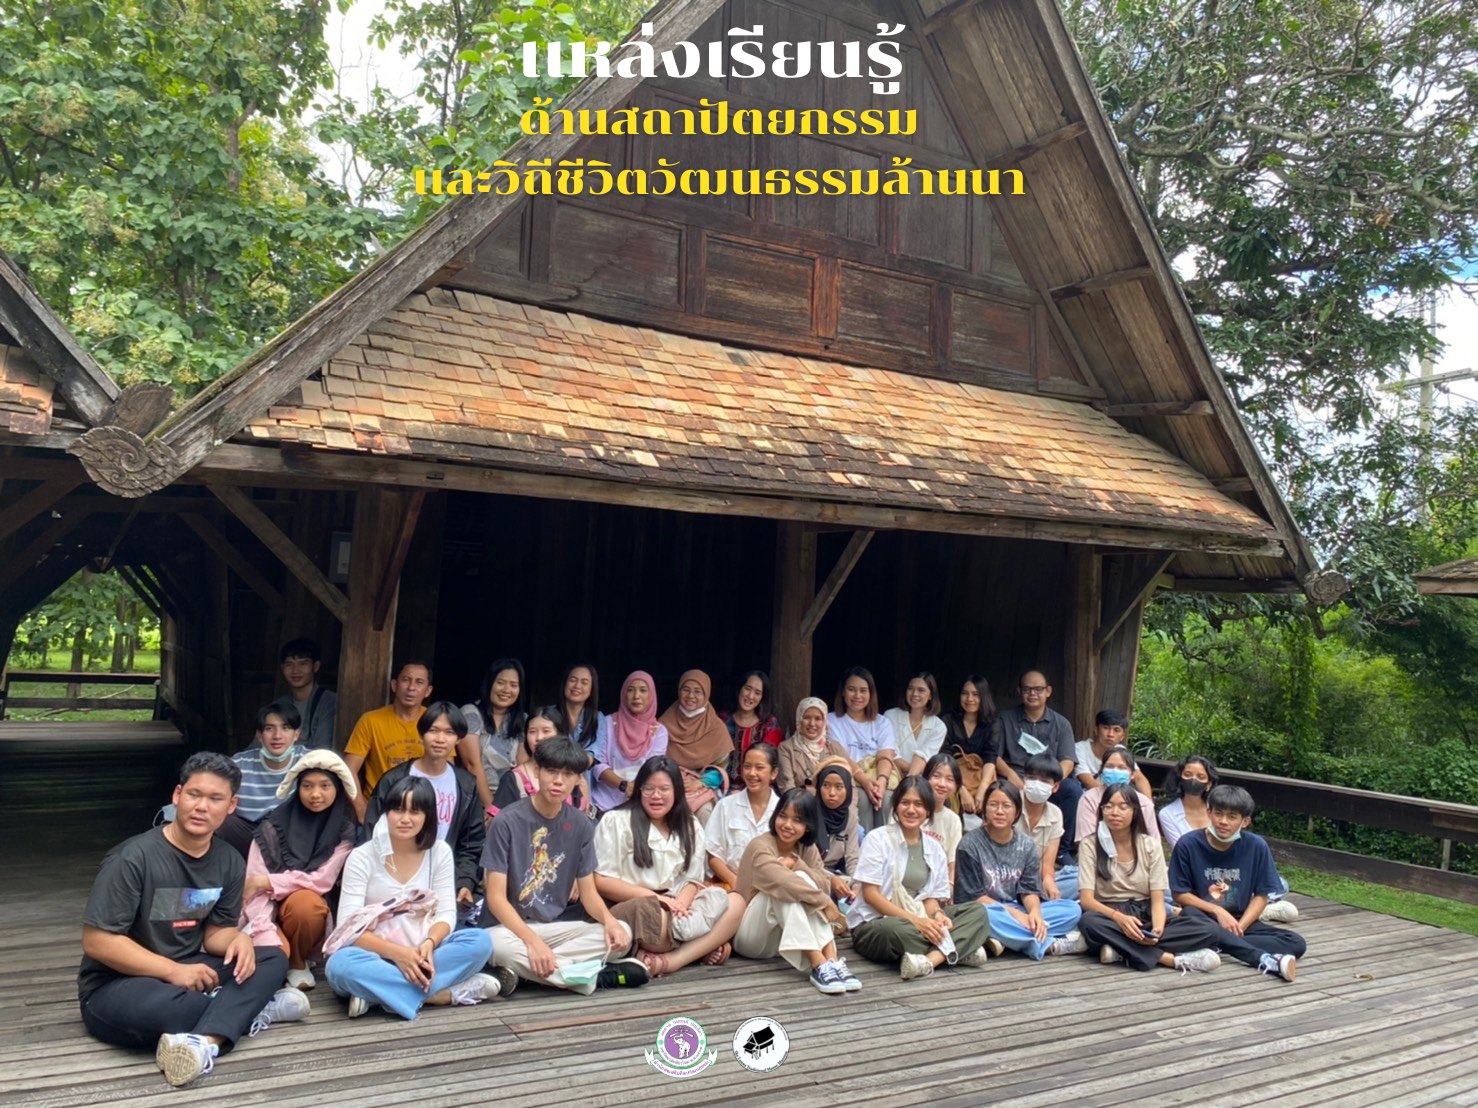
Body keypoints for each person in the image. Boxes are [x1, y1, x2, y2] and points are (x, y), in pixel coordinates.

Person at [79, 753, 303, 1089]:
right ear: (177, 795)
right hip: (119, 983)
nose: (201, 807)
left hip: (190, 967)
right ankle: (253, 1009)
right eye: (194, 794)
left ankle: (205, 1041)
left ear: (231, 805)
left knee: (272, 957)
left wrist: (238, 939)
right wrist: (172, 971)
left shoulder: (229, 860)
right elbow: (98, 941)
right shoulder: (132, 858)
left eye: (215, 798)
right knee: (178, 1010)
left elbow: (215, 934)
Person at [482, 736, 648, 994]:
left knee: (621, 934)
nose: (558, 781)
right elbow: (495, 899)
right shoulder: (506, 821)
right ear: (537, 771)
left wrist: (609, 921)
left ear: (578, 779)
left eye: (568, 774)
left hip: (556, 927)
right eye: (551, 771)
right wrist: (532, 942)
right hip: (510, 929)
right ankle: (596, 976)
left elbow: (589, 893)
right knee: (491, 944)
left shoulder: (580, 824)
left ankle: (533, 973)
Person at [324, 776, 499, 1018]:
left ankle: (379, 996)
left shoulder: (439, 851)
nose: (405, 819)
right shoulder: (362, 856)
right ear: (386, 812)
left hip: (425, 952)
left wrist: (429, 944)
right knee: (339, 966)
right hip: (376, 956)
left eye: (415, 812)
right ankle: (443, 995)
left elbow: (447, 913)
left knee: (480, 941)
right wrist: (399, 955)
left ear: (428, 816)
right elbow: (347, 926)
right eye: (398, 810)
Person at [594, 756, 746, 978]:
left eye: (664, 789)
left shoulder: (690, 825)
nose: (656, 796)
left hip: (676, 903)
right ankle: (702, 947)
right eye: (649, 788)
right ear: (639, 790)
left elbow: (693, 880)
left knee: (736, 902)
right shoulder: (616, 821)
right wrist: (658, 900)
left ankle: (672, 961)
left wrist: (681, 905)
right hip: (634, 904)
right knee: (655, 917)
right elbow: (601, 881)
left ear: (676, 791)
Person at [845, 776, 992, 980]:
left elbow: (929, 899)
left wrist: (937, 916)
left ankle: (930, 961)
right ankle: (959, 948)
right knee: (892, 930)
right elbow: (871, 896)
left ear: (928, 811)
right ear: (895, 807)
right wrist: (917, 922)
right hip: (878, 922)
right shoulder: (878, 839)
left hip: (920, 916)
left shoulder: (934, 848)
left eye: (919, 804)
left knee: (978, 912)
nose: (911, 810)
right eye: (905, 803)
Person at [242, 750, 359, 991]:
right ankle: (281, 954)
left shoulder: (343, 831)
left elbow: (321, 881)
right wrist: (265, 929)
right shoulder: (272, 827)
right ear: (298, 788)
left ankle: (297, 960)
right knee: (275, 952)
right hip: (267, 913)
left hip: (308, 916)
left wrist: (267, 881)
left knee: (306, 903)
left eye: (325, 786)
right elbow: (252, 888)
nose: (315, 794)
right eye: (307, 786)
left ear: (337, 789)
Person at [1077, 783, 1223, 973]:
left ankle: (1121, 949)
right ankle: (1168, 959)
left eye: (1123, 807)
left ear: (1135, 811)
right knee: (1089, 923)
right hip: (1110, 915)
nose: (1114, 812)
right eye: (1108, 806)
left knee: (1209, 929)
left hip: (1145, 913)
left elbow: (1158, 900)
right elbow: (1087, 900)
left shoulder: (1150, 844)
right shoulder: (1090, 844)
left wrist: (1157, 930)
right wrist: (1118, 918)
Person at [1170, 785, 1307, 981]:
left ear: (1245, 821)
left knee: (1296, 943)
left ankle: (1216, 945)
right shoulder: (1188, 844)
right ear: (1209, 813)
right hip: (1201, 918)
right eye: (1218, 813)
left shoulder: (1256, 846)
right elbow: (1179, 894)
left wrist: (1239, 928)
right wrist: (1217, 910)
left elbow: (1262, 895)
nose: (1223, 821)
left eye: (1232, 817)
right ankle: (1263, 959)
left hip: (1239, 918)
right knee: (1191, 913)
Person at [734, 788, 859, 994]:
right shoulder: (760, 846)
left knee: (798, 879)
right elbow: (782, 881)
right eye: (783, 816)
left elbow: (823, 884)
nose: (788, 825)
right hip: (750, 937)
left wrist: (796, 863)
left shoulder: (806, 848)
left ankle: (832, 961)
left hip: (783, 940)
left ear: (808, 825)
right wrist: (826, 902)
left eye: (797, 820)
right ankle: (818, 963)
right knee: (787, 886)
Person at [365, 702, 484, 912]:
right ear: (421, 734)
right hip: (395, 882)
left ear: (458, 738)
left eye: (449, 732)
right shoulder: (394, 780)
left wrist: (465, 881)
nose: (440, 739)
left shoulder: (465, 785)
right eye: (433, 730)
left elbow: (471, 843)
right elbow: (372, 833)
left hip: (444, 881)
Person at [953, 780, 1083, 960]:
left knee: (1072, 910)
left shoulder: (1026, 845)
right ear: (984, 809)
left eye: (1006, 806)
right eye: (993, 805)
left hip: (1016, 907)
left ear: (1016, 812)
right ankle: (1047, 945)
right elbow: (973, 897)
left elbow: (1029, 889)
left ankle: (1004, 938)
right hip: (986, 910)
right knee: (985, 917)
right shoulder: (969, 844)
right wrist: (1015, 915)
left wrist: (1035, 913)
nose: (999, 811)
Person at [1160, 756, 1298, 924]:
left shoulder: (1222, 804)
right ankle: (1252, 910)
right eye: (1188, 775)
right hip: (1198, 878)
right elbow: (1182, 858)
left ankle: (1256, 911)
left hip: (1233, 877)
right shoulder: (1177, 826)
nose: (1223, 821)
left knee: (1278, 885)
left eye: (1201, 776)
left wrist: (1241, 926)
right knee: (1167, 891)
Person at [992, 669, 1082, 855]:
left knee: (1073, 790)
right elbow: (994, 755)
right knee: (998, 790)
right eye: (1027, 689)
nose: (1032, 693)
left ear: (1048, 691)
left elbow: (1068, 760)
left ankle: (1063, 851)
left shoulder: (1061, 723)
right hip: (1015, 779)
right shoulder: (1005, 719)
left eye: (1038, 689)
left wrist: (1051, 783)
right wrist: (1012, 777)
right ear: (1019, 691)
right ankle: (1002, 846)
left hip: (1049, 781)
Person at [343, 660, 435, 818]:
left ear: (428, 691)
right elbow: (348, 769)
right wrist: (362, 811)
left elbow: (447, 770)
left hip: (422, 812)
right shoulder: (371, 721)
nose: (411, 688)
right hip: (380, 810)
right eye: (405, 680)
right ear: (394, 685)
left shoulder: (435, 721)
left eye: (419, 682)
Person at [218, 703, 308, 857]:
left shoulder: (309, 761)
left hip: (289, 834)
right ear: (259, 735)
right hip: (247, 833)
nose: (277, 736)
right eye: (269, 728)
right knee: (220, 821)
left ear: (296, 734)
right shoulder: (239, 763)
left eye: (285, 728)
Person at [657, 669, 734, 823]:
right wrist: (674, 777)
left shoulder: (716, 727)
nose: (691, 696)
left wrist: (698, 783)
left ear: (706, 694)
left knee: (706, 813)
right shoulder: (664, 723)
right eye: (686, 690)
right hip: (668, 781)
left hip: (701, 787)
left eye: (698, 692)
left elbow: (722, 767)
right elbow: (654, 758)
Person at [827, 667, 898, 830]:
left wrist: (881, 782)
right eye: (851, 689)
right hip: (848, 777)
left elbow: (885, 755)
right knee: (862, 800)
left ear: (871, 694)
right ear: (843, 692)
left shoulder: (882, 723)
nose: (857, 696)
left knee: (886, 799)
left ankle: (884, 844)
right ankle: (862, 845)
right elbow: (841, 757)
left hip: (877, 777)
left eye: (863, 691)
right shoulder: (831, 720)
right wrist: (865, 782)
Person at [591, 671, 670, 813]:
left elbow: (653, 768)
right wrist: (624, 786)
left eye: (643, 690)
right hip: (604, 803)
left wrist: (635, 791)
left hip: (641, 803)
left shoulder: (659, 731)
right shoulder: (607, 723)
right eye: (631, 690)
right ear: (623, 695)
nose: (636, 696)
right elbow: (597, 764)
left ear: (651, 696)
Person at [457, 658, 528, 814]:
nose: (506, 690)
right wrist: (491, 809)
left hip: (513, 799)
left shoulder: (522, 720)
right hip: (477, 799)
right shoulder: (471, 714)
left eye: (514, 685)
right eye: (500, 683)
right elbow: (472, 764)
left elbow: (522, 765)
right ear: (489, 684)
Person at [706, 743, 780, 888]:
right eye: (747, 766)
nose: (752, 773)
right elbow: (713, 856)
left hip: (770, 887)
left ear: (774, 773)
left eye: (759, 768)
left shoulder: (782, 811)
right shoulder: (726, 806)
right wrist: (736, 883)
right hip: (730, 885)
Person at [492, 706, 589, 814]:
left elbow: (580, 819)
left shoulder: (573, 777)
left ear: (560, 734)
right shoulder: (513, 779)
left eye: (546, 731)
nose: (539, 738)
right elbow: (500, 821)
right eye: (532, 731)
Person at [894, 752, 964, 884]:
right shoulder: (907, 810)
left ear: (956, 786)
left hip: (938, 883)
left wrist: (949, 887)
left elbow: (952, 863)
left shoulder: (953, 820)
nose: (942, 784)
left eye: (949, 779)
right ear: (925, 778)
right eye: (936, 776)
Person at [1016, 753, 1075, 900]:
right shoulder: (1010, 803)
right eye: (1032, 778)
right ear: (1024, 779)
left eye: (1044, 781)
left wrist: (1049, 881)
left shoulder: (1056, 814)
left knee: (1079, 880)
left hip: (1035, 879)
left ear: (1055, 787)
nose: (1037, 784)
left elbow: (1047, 863)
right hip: (1004, 877)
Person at [941, 674, 999, 818]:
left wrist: (983, 788)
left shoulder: (992, 723)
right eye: (964, 693)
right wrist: (961, 789)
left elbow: (990, 757)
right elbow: (945, 757)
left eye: (975, 694)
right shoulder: (948, 720)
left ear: (984, 697)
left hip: (980, 777)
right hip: (951, 777)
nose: (969, 699)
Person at [1075, 745, 1159, 844]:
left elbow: (1154, 842)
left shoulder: (1144, 803)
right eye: (1109, 766)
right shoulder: (1089, 799)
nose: (1115, 771)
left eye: (1122, 768)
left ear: (1132, 774)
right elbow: (1085, 841)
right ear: (1102, 771)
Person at [272, 638, 337, 750]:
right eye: (289, 664)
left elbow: (322, 748)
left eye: (303, 664)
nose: (295, 670)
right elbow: (258, 745)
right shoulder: (278, 705)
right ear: (282, 668)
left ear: (315, 666)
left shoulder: (330, 702)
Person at [721, 669, 783, 784]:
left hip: (756, 786)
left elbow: (770, 764)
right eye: (747, 688)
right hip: (720, 785)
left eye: (757, 693)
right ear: (739, 689)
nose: (750, 696)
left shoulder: (769, 724)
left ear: (762, 698)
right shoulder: (722, 720)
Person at [776, 696, 849, 792]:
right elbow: (788, 788)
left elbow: (849, 786)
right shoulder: (786, 748)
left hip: (834, 801)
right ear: (799, 719)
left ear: (824, 721)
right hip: (799, 801)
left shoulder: (834, 747)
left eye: (818, 719)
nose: (812, 723)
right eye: (807, 717)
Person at [883, 672, 948, 778]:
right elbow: (890, 752)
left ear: (931, 695)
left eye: (921, 690)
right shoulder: (890, 716)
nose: (914, 694)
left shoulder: (939, 726)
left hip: (920, 780)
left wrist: (909, 780)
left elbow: (924, 756)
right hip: (890, 774)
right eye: (910, 688)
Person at [815, 758, 861, 901]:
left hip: (836, 872)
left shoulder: (850, 817)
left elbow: (852, 858)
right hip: (812, 872)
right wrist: (831, 878)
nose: (832, 793)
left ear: (848, 790)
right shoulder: (808, 812)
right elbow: (805, 861)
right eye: (826, 785)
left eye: (839, 787)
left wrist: (857, 885)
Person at [1074, 710, 1150, 794]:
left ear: (1122, 736)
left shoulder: (1121, 751)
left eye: (1116, 730)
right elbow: (1088, 782)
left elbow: (1139, 778)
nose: (1110, 734)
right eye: (1106, 728)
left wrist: (1148, 801)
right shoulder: (1080, 749)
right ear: (1096, 730)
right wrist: (1117, 797)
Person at [557, 662, 606, 781]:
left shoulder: (598, 718)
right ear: (565, 683)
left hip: (582, 784)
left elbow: (590, 757)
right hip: (552, 781)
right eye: (573, 680)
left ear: (591, 689)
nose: (577, 686)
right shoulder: (548, 715)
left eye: (584, 682)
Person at [1158, 754, 1219, 849]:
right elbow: (1181, 849)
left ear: (1209, 784)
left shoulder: (1219, 810)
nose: (1193, 779)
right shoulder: (1167, 814)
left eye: (1201, 776)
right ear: (1180, 779)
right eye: (1187, 775)